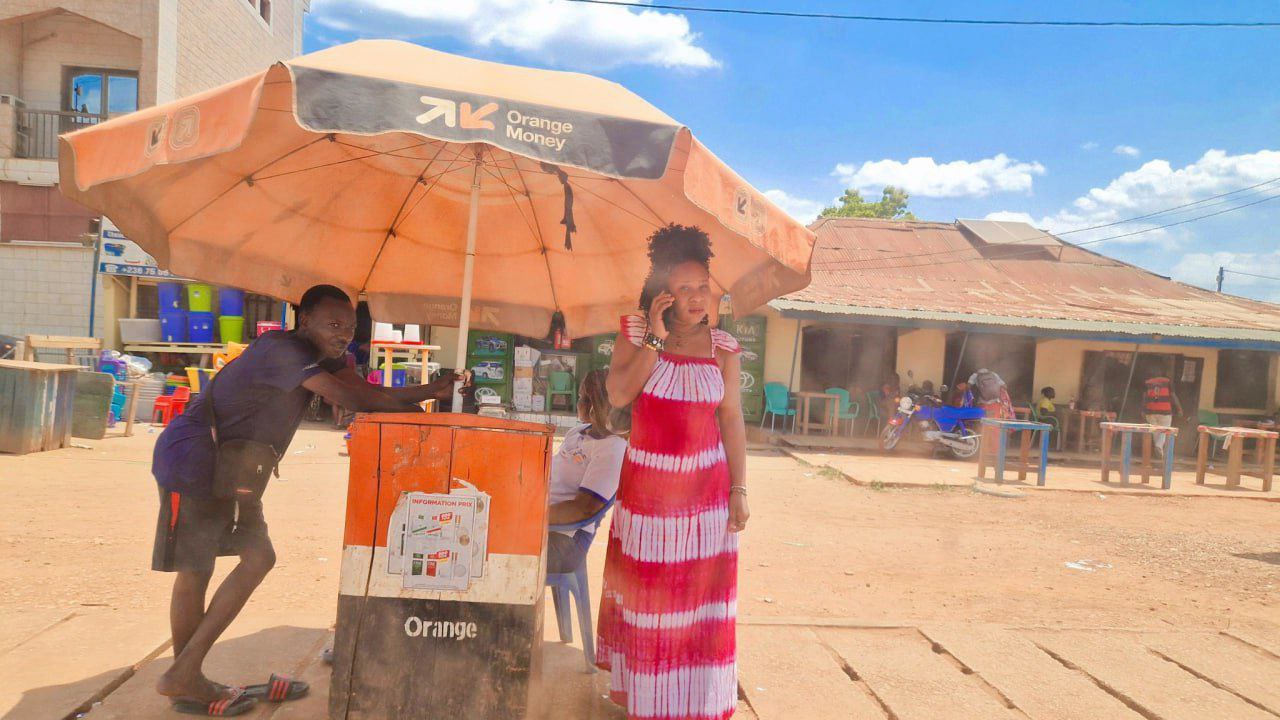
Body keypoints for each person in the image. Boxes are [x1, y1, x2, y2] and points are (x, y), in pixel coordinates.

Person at [150, 285, 464, 715]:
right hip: (197, 458)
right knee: (197, 569)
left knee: (255, 558)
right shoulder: (279, 350)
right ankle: (187, 677)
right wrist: (438, 419)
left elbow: (369, 391)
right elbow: (352, 400)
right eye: (333, 325)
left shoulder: (325, 357)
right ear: (306, 322)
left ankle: (186, 674)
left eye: (350, 327)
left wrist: (432, 391)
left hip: (239, 469)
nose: (343, 334)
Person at [599, 224, 748, 720]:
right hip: (651, 500)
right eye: (684, 288)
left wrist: (740, 489)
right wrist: (657, 341)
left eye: (703, 286)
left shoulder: (723, 348)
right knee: (654, 609)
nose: (697, 297)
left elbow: (731, 418)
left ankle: (697, 708)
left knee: (700, 611)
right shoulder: (637, 334)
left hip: (707, 500)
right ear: (662, 293)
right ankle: (651, 705)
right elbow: (618, 395)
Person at [546, 369, 627, 573]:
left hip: (565, 541)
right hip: (544, 526)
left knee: (493, 548)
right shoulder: (576, 433)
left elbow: (584, 508)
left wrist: (528, 518)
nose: (579, 402)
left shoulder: (613, 448)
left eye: (583, 397)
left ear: (596, 404)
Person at [1143, 366, 1183, 456]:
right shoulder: (1167, 381)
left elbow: (1144, 397)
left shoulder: (1147, 382)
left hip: (1150, 411)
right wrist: (1179, 408)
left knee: (1155, 430)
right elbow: (1173, 396)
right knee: (1165, 429)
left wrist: (1143, 410)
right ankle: (1159, 446)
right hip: (1165, 412)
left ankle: (1159, 448)